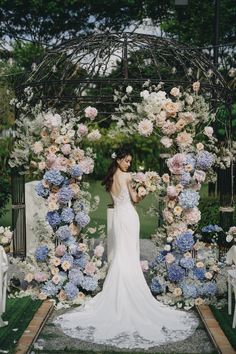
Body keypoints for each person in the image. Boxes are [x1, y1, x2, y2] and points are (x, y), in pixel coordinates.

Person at [54, 147, 198, 349]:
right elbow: (136, 200)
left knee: (123, 254)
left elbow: (116, 198)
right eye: (127, 160)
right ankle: (129, 290)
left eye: (130, 161)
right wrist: (144, 189)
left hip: (119, 218)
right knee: (129, 255)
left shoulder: (112, 176)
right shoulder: (128, 176)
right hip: (129, 216)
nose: (129, 164)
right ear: (120, 160)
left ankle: (117, 290)